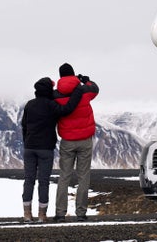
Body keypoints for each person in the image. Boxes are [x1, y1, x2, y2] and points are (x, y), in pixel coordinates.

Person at [20, 77, 84, 223]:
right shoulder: (51, 105)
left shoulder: (30, 104)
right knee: (43, 182)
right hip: (45, 148)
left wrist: (27, 142)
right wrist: (77, 91)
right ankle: (42, 215)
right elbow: (67, 109)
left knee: (29, 180)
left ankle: (27, 214)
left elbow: (24, 125)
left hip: (29, 147)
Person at [52, 62, 100, 222]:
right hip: (85, 140)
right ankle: (81, 213)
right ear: (73, 74)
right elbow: (95, 88)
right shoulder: (84, 91)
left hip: (67, 141)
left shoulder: (56, 95)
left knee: (64, 176)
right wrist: (85, 80)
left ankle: (60, 213)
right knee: (83, 176)